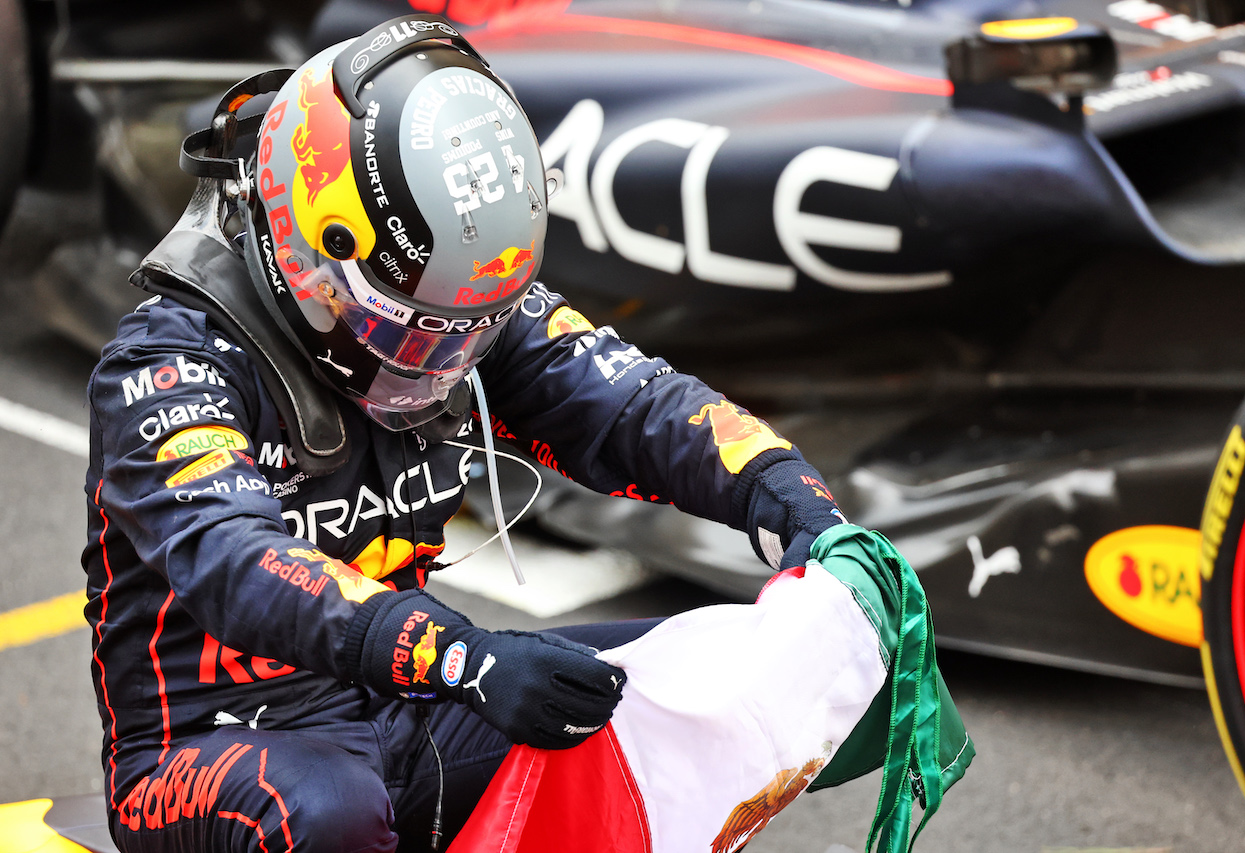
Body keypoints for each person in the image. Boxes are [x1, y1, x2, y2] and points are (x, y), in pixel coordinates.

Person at [82, 15, 861, 853]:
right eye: (415, 331)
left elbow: (628, 402)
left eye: (464, 336)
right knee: (327, 810)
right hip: (205, 744)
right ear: (308, 253)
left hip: (399, 697)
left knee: (677, 689)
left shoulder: (455, 306)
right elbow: (234, 559)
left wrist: (779, 487)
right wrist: (462, 658)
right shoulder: (166, 366)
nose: (440, 363)